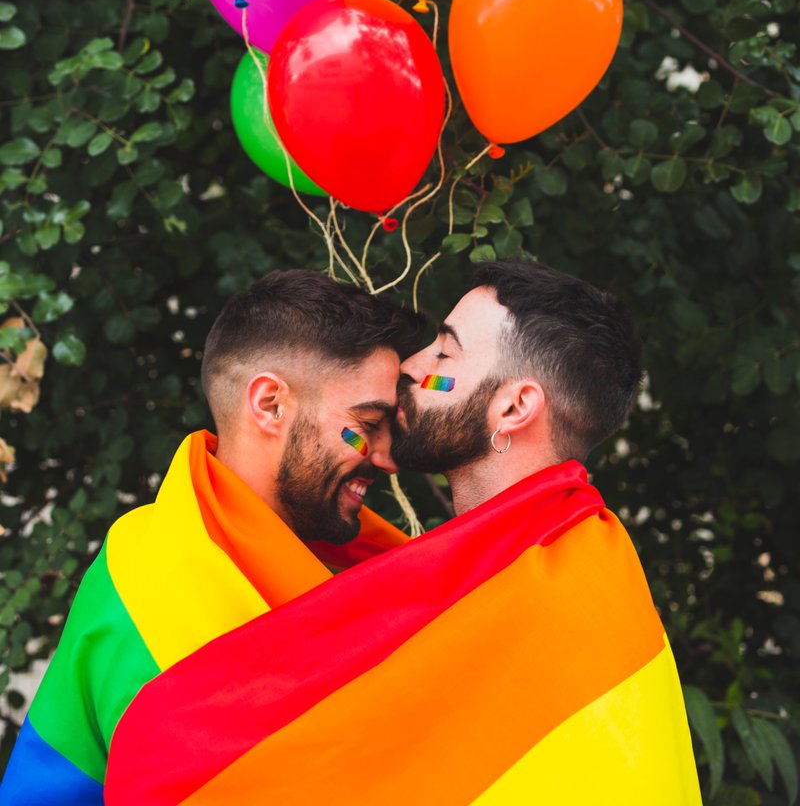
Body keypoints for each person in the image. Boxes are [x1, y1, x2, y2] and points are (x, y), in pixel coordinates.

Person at [103, 258, 701, 806]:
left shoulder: (576, 591)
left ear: (514, 408)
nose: (413, 370)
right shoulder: (467, 573)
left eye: (444, 355)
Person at [0, 269, 423, 805]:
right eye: (366, 424)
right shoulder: (152, 583)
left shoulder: (351, 557)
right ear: (270, 404)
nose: (386, 458)